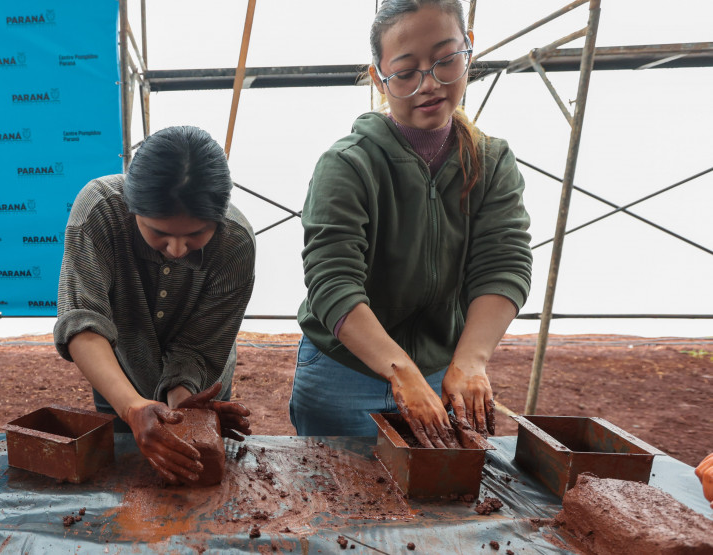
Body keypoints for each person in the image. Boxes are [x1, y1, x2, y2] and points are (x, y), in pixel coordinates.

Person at [291, 0, 533, 445]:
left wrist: (472, 360)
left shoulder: (491, 161)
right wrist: (401, 369)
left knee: (437, 505)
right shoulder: (347, 164)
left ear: (469, 48)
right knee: (338, 501)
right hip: (345, 371)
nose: (430, 84)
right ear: (378, 77)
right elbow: (332, 281)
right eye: (405, 73)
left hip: (445, 365)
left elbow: (503, 264)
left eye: (445, 60)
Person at [54, 125, 256, 484]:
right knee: (124, 476)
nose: (177, 250)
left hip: (200, 378)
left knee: (193, 475)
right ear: (132, 208)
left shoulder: (235, 243)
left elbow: (198, 347)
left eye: (196, 235)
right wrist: (132, 408)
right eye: (159, 232)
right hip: (120, 372)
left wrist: (183, 410)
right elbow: (83, 321)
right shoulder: (100, 211)